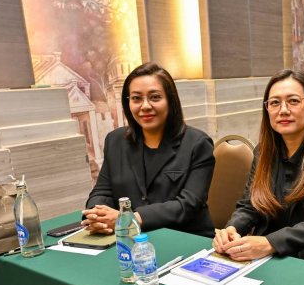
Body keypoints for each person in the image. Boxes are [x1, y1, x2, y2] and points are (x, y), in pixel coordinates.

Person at [213, 69, 304, 268]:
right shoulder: (262, 152)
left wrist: (269, 243)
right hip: (265, 258)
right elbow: (249, 206)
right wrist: (232, 228)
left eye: (293, 101)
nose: (283, 110)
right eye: (275, 103)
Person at [83, 62, 215, 238]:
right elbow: (102, 191)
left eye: (155, 97)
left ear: (170, 101)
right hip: (131, 238)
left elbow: (188, 204)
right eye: (136, 98)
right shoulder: (115, 141)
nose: (145, 106)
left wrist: (131, 219)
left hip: (185, 237)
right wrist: (96, 215)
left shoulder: (197, 144)